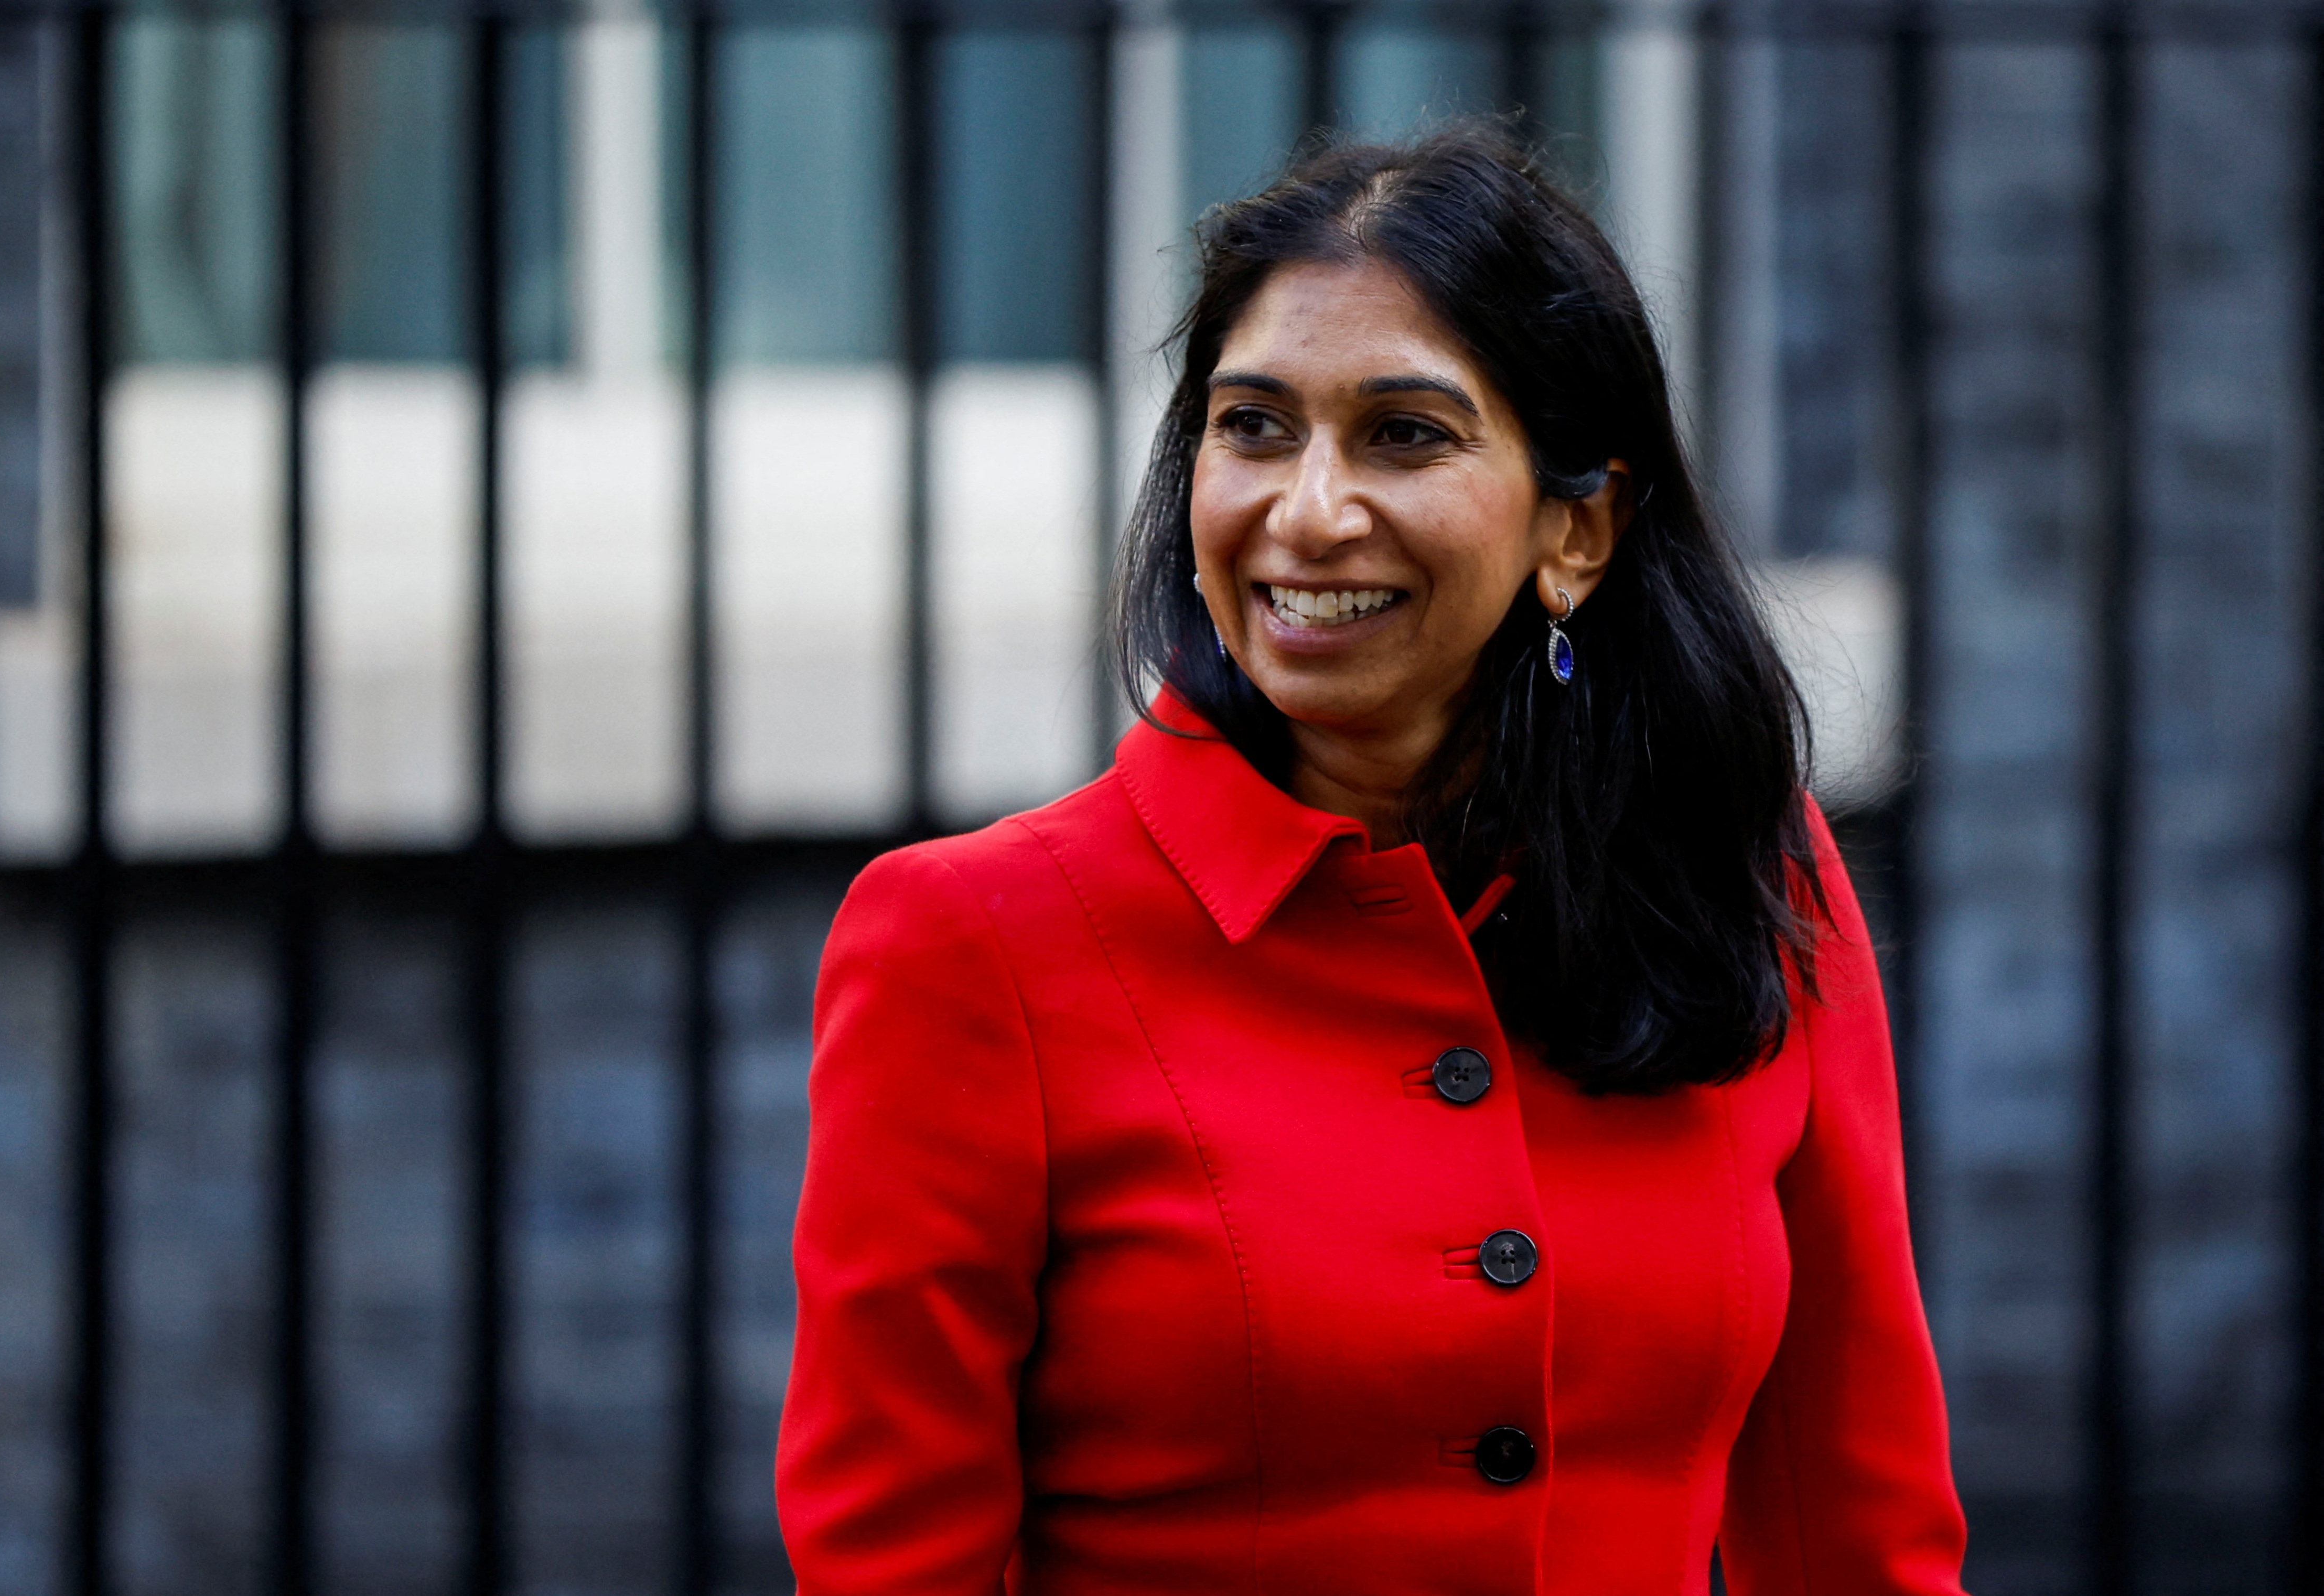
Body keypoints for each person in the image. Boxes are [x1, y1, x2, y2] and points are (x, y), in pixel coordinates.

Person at [777, 123, 1968, 1594]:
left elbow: (1861, 1529)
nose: (1310, 510)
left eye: (1405, 433)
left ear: (1577, 527)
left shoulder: (1746, 876)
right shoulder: (976, 942)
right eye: (1254, 426)